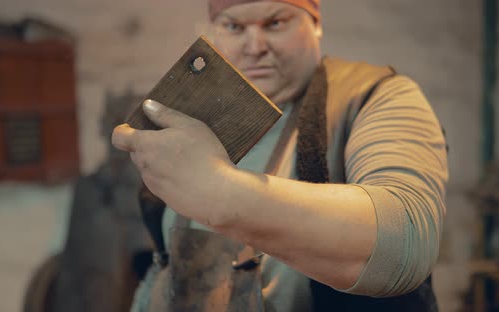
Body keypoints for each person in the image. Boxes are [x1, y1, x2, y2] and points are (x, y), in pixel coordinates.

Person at [112, 0, 448, 311]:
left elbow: (405, 242)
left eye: (275, 23)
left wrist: (222, 192)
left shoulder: (372, 96)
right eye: (234, 27)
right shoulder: (192, 114)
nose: (255, 46)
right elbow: (166, 264)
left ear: (315, 24)